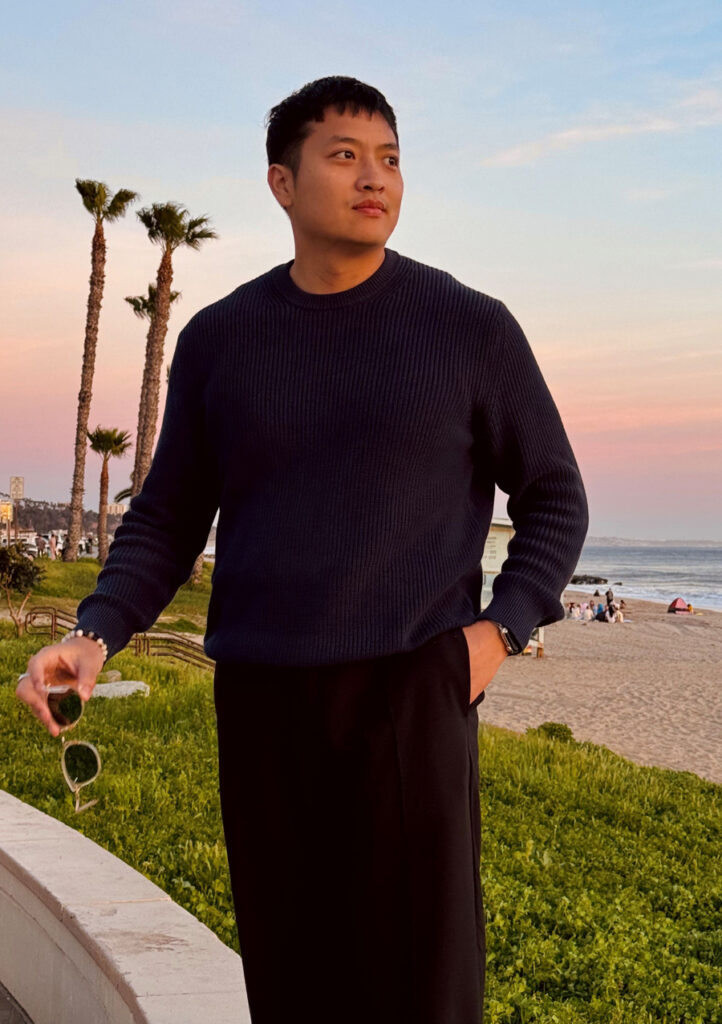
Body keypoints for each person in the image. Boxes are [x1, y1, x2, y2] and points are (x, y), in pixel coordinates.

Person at [16, 76, 589, 1024]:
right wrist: (94, 632)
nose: (376, 178)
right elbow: (167, 517)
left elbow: (556, 499)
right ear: (282, 182)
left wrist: (496, 636)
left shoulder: (469, 328)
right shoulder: (221, 340)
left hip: (414, 691)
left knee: (423, 986)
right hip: (263, 702)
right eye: (346, 155)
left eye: (391, 158)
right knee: (291, 976)